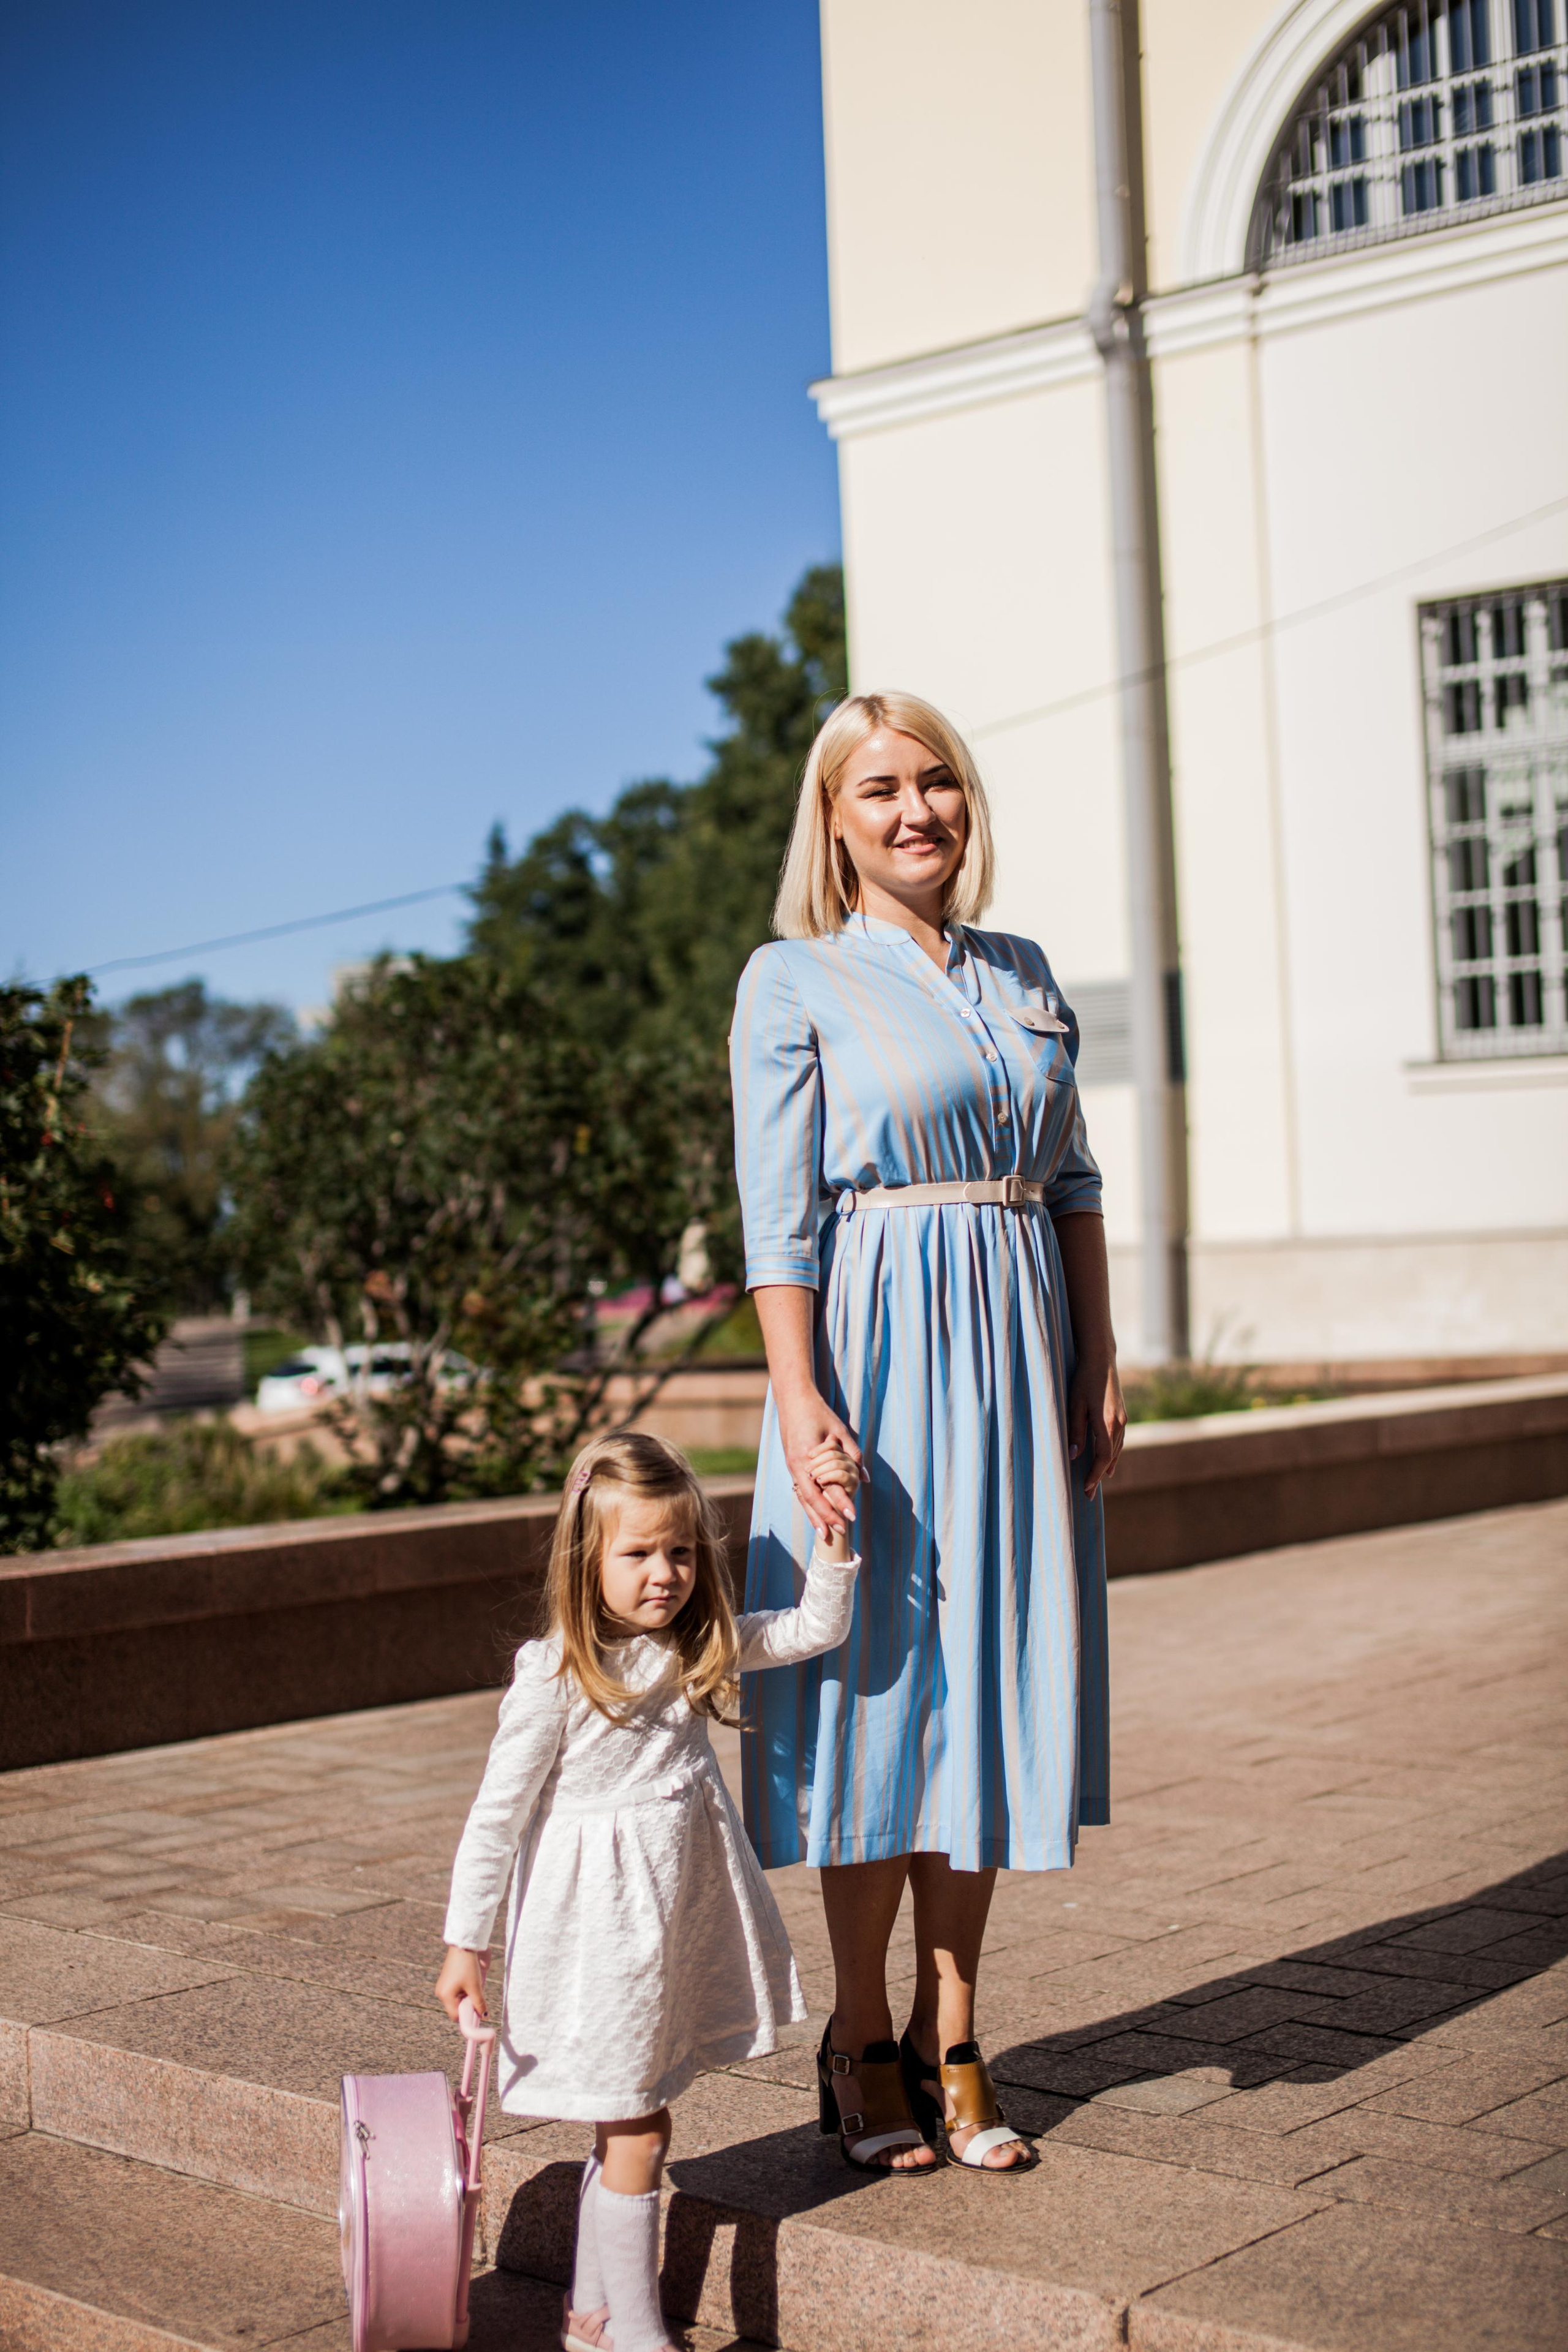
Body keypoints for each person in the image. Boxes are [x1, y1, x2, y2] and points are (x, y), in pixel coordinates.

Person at [730, 690, 1126, 2177]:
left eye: (938, 782)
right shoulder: (791, 979)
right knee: (876, 1702)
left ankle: (950, 2029)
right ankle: (851, 2033)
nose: (917, 811)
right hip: (872, 1366)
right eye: (880, 789)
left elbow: (1072, 1180)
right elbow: (777, 1219)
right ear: (832, 824)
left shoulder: (1024, 973)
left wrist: (1096, 1355)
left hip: (1018, 1365)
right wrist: (798, 1396)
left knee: (995, 1693)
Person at [435, 1427, 861, 2352]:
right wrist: (466, 1942)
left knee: (630, 2118)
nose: (663, 1573)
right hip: (598, 1939)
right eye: (636, 1554)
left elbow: (811, 1630)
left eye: (679, 1551)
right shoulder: (553, 1675)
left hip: (669, 1927)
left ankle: (591, 2319)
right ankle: (630, 2329)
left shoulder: (690, 1645)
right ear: (586, 1561)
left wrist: (832, 1541)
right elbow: (494, 1820)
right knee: (639, 2128)